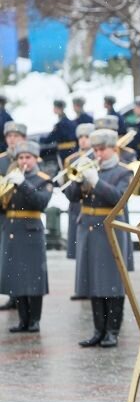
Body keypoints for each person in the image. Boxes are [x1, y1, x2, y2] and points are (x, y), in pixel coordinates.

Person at [62, 128, 133, 349]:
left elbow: (119, 198)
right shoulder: (91, 167)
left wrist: (96, 182)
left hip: (109, 231)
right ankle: (98, 330)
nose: (98, 153)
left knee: (111, 282)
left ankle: (112, 330)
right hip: (88, 230)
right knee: (93, 281)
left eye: (102, 149)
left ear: (113, 149)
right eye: (96, 149)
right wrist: (77, 180)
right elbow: (71, 197)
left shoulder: (123, 172)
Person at [0, 141, 52, 333]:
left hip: (31, 232)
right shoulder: (11, 177)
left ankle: (35, 320)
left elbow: (41, 202)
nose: (24, 161)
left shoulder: (42, 179)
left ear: (36, 158)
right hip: (12, 231)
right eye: (20, 157)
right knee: (17, 277)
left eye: (27, 157)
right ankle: (23, 320)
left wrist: (22, 184)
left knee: (34, 277)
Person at [0, 121, 28, 312]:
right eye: (9, 136)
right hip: (3, 213)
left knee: (22, 258)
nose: (12, 140)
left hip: (22, 213)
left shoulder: (28, 158)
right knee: (6, 256)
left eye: (16, 136)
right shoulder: (1, 160)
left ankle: (24, 297)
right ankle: (12, 294)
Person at [63, 123, 96, 278]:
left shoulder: (97, 157)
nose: (83, 141)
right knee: (79, 250)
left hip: (93, 205)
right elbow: (66, 183)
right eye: (80, 137)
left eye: (87, 137)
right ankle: (81, 285)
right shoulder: (72, 160)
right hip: (77, 205)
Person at [41, 99, 78, 168]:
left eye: (54, 108)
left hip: (64, 153)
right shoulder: (71, 122)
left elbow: (50, 138)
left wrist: (41, 140)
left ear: (58, 108)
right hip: (74, 150)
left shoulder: (60, 125)